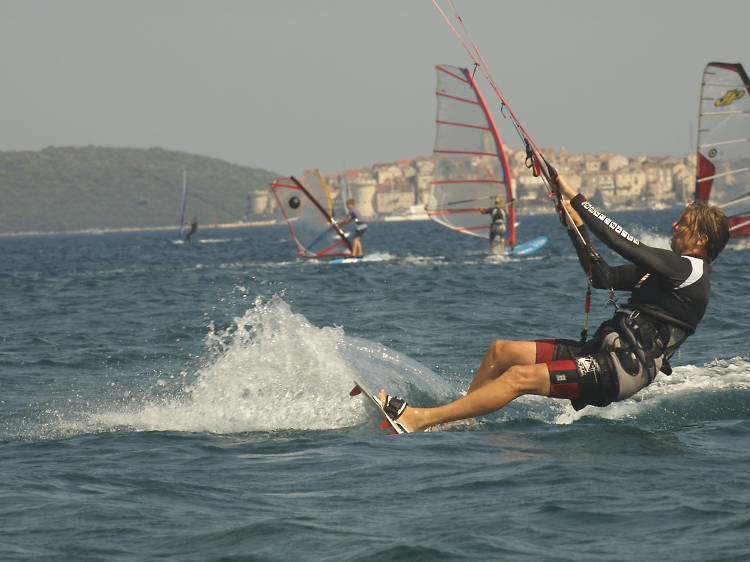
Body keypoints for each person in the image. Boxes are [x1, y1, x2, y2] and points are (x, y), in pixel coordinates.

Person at [378, 175, 729, 433]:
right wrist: (576, 227)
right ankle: (462, 416)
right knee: (501, 352)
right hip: (603, 352)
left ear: (700, 239)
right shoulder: (668, 271)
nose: (674, 224)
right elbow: (600, 276)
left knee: (518, 377)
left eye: (682, 224)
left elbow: (625, 243)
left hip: (621, 370)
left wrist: (577, 197)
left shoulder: (690, 270)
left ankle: (421, 419)